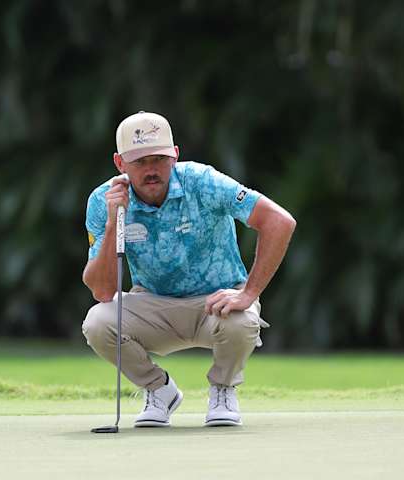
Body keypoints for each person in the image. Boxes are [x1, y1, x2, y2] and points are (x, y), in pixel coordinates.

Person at [82, 111, 296, 427]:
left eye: (159, 159)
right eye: (140, 162)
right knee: (98, 322)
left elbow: (279, 221)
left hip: (217, 303)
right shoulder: (104, 200)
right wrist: (115, 223)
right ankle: (159, 390)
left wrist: (249, 292)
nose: (151, 169)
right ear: (120, 163)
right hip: (153, 305)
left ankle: (223, 390)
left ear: (175, 156)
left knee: (242, 319)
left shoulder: (202, 181)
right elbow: (101, 291)